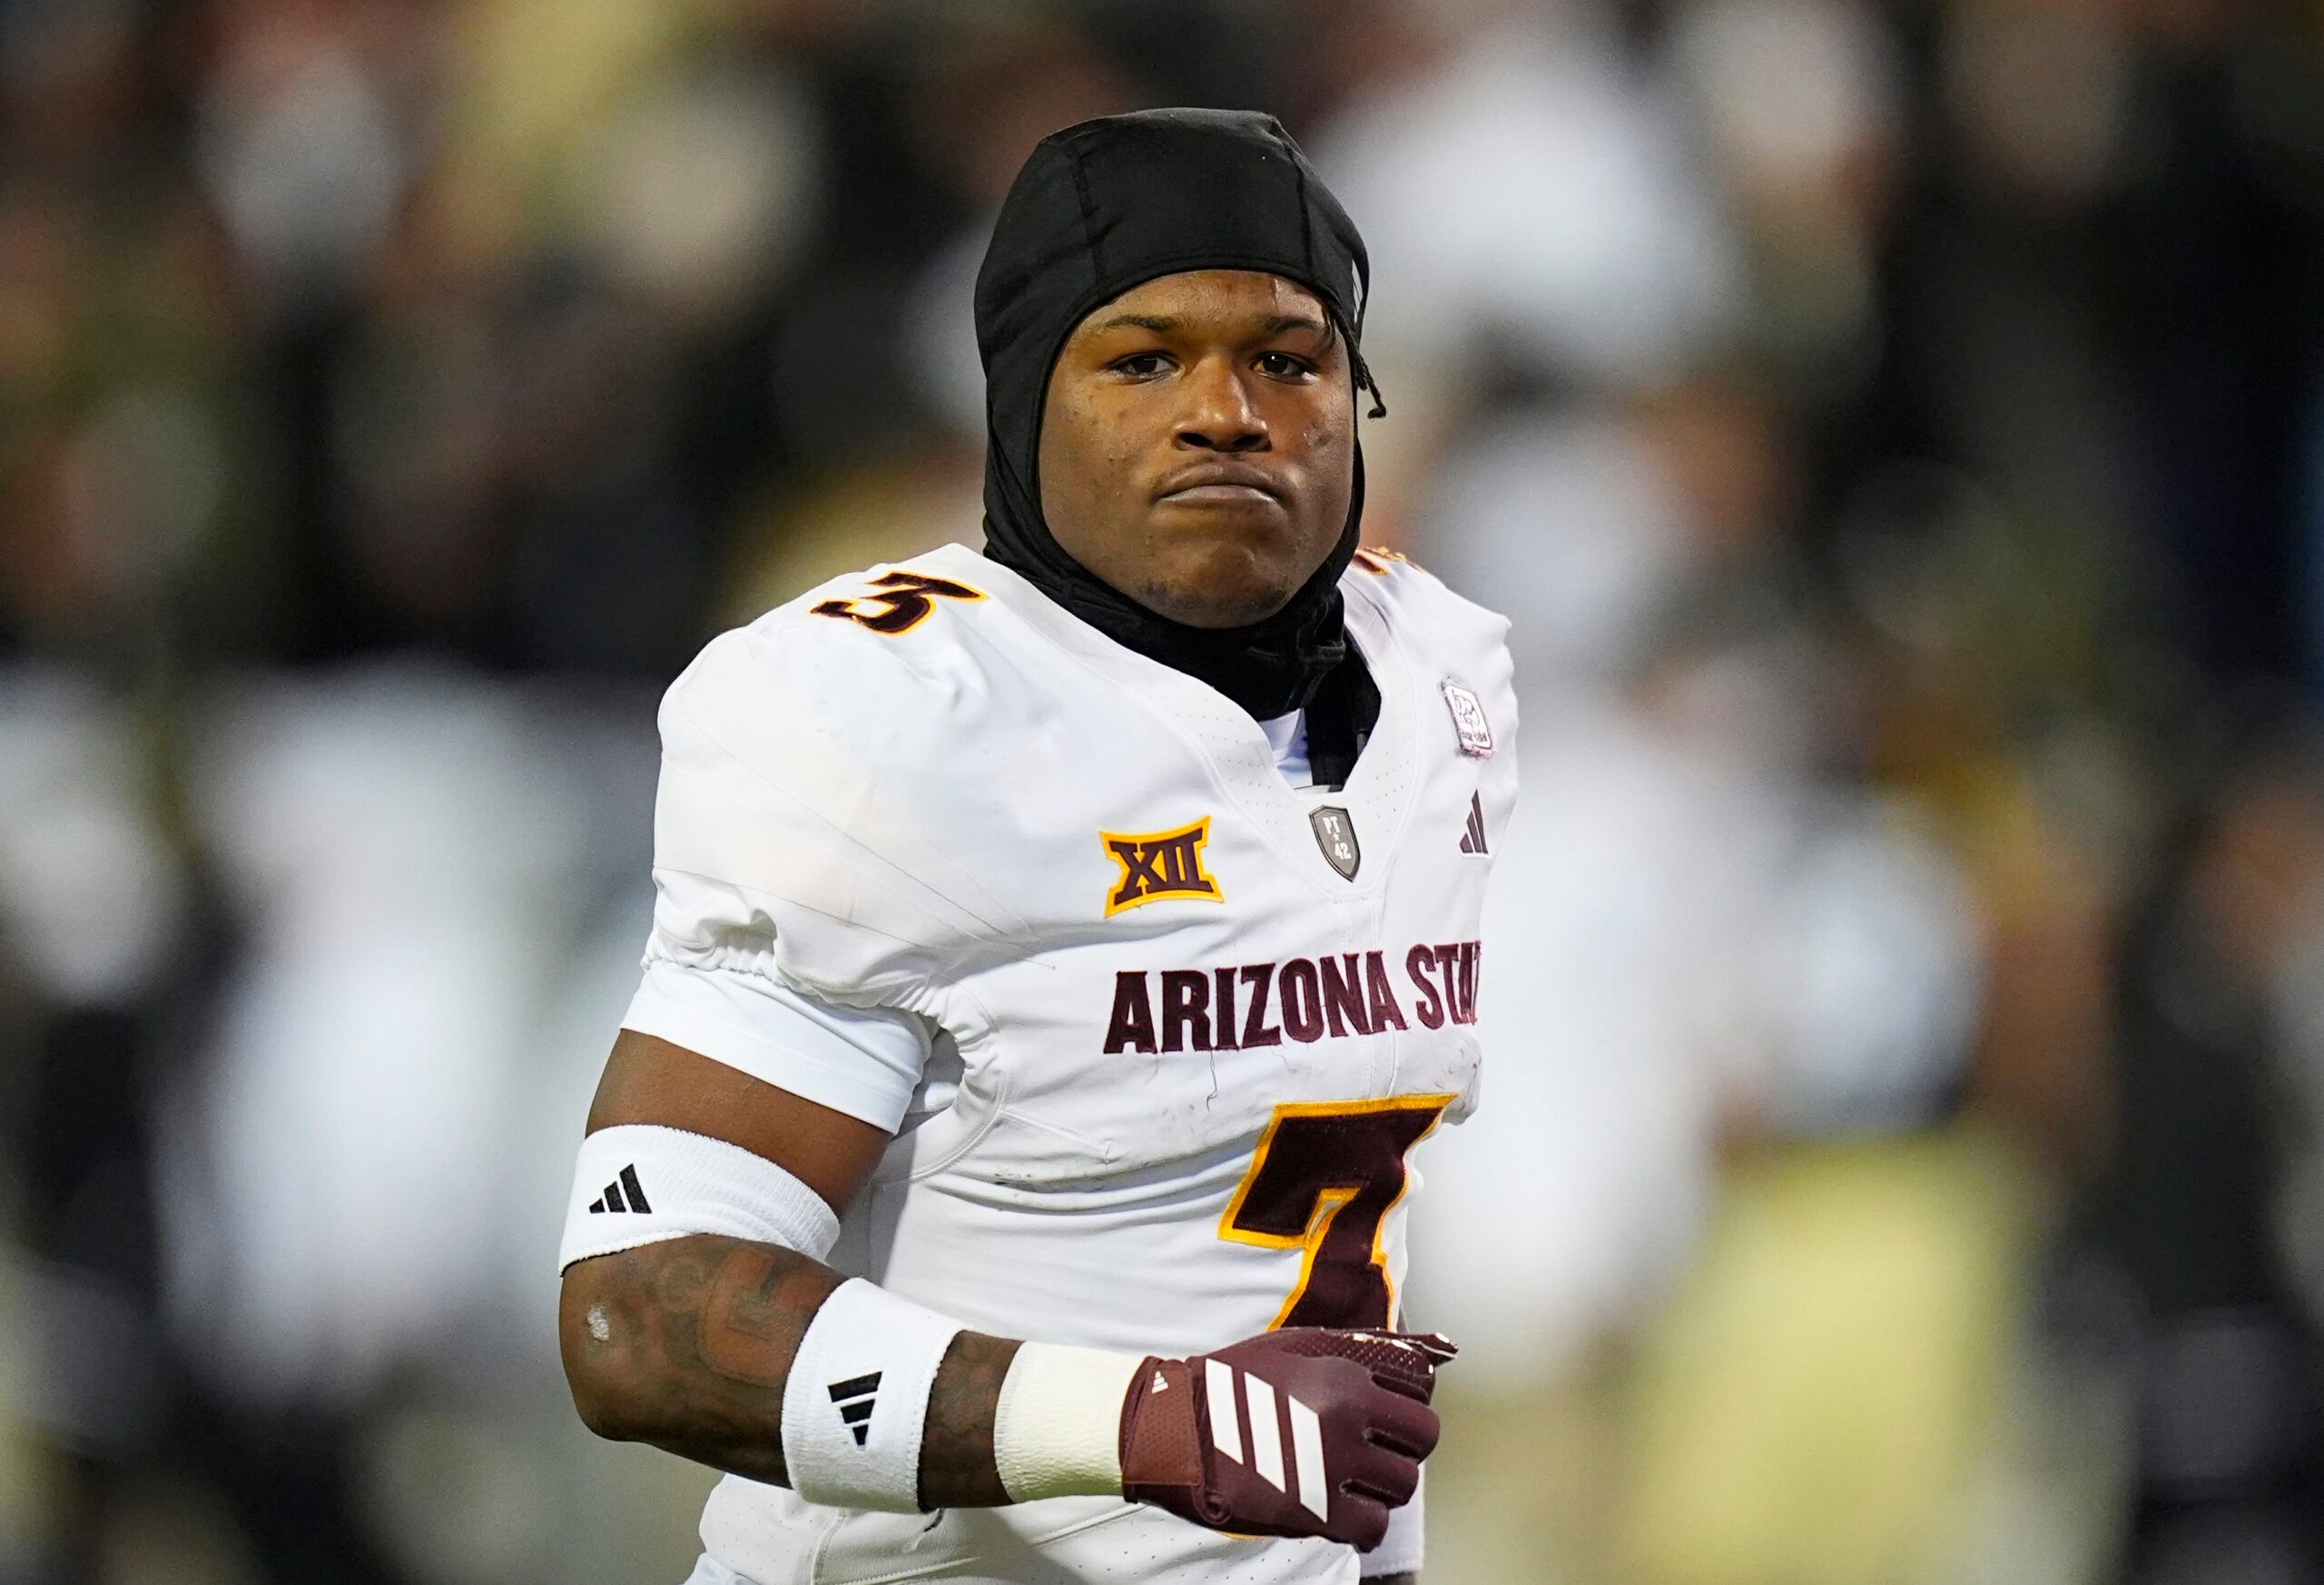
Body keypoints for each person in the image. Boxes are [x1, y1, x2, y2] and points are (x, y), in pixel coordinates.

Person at [556, 107, 1516, 1585]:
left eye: (1288, 357)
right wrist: (1133, 1417)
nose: (1228, 412)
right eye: (1143, 359)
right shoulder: (892, 718)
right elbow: (639, 1313)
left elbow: (1332, 1268)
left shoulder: (1441, 689)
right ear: (1022, 404)